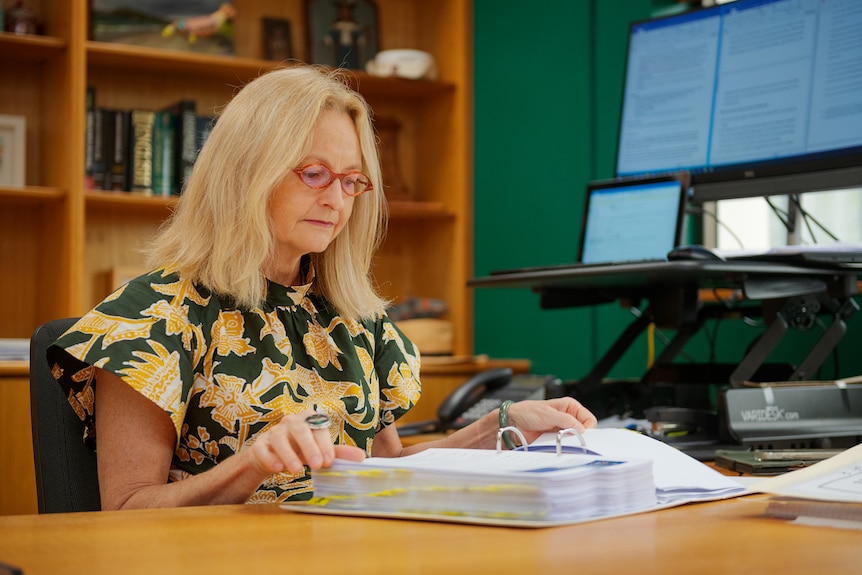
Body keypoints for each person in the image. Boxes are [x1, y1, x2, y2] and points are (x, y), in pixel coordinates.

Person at [48, 65, 598, 510]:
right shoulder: (152, 317)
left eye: (352, 180)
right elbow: (126, 511)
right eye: (313, 173)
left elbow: (382, 470)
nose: (337, 199)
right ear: (246, 172)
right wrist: (254, 462)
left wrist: (500, 427)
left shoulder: (353, 317)